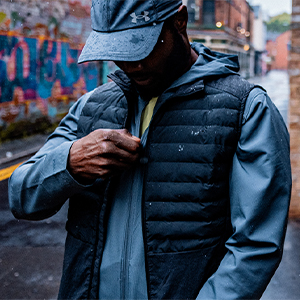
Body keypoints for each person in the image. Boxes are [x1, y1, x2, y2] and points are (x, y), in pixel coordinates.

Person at [9, 0, 291, 299]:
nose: (132, 64)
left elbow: (254, 245)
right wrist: (69, 163)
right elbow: (22, 196)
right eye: (117, 51)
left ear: (179, 21)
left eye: (141, 46)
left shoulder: (245, 109)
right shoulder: (90, 106)